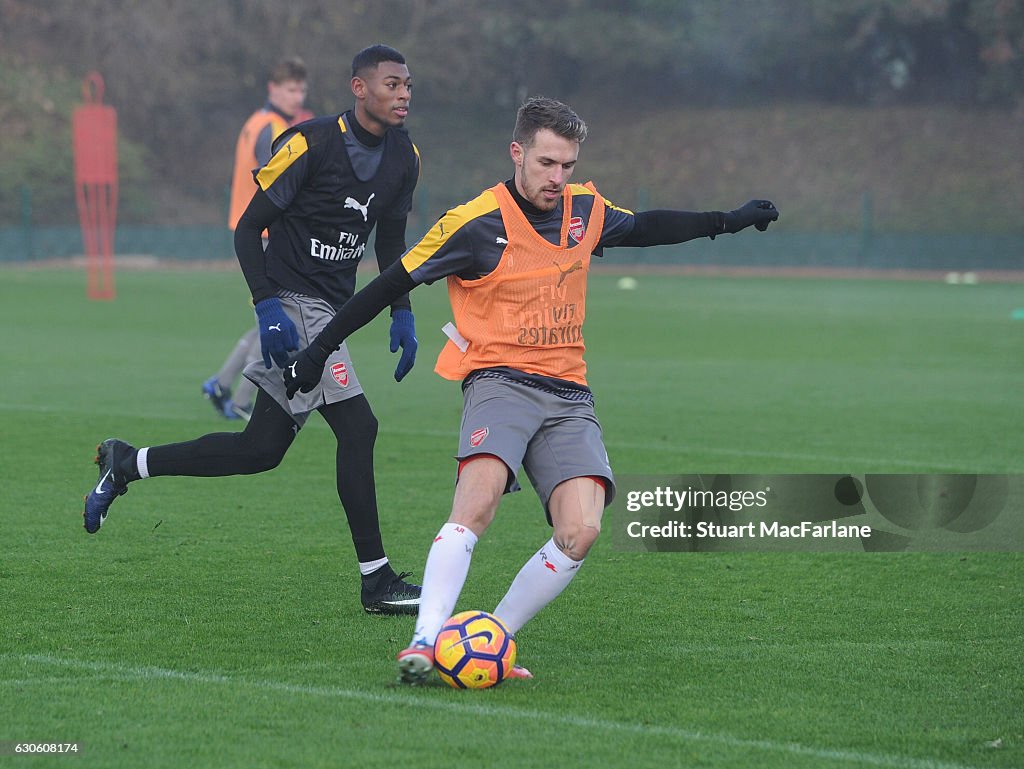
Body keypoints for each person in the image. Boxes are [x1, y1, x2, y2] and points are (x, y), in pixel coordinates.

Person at [280, 96, 780, 682]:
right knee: (479, 500)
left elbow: (646, 227)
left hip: (569, 395)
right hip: (500, 381)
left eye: (567, 165)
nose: (557, 178)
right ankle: (423, 641)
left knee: (582, 529)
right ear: (517, 153)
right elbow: (386, 282)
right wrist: (316, 351)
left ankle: (489, 640)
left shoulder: (584, 210)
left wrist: (728, 219)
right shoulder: (474, 223)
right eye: (546, 163)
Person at [84, 44, 423, 616]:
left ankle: (128, 462)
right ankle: (377, 581)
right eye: (392, 84)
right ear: (359, 88)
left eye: (409, 84)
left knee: (259, 449)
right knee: (358, 428)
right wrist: (267, 304)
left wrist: (402, 309)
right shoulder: (312, 143)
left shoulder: (403, 159)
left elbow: (389, 240)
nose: (404, 93)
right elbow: (247, 230)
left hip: (332, 313)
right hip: (295, 305)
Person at [203, 56, 312, 421]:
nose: (297, 96)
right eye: (290, 89)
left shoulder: (256, 121)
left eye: (301, 89)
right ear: (273, 88)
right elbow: (280, 180)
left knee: (264, 317)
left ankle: (221, 384)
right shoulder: (274, 128)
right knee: (278, 318)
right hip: (266, 233)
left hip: (250, 228)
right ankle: (243, 400)